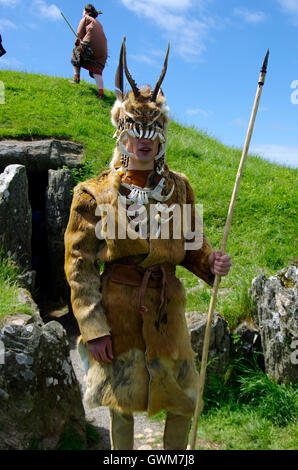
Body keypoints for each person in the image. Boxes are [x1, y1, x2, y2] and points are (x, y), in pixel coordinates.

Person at [64, 39, 232, 450]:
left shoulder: (179, 188)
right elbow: (79, 264)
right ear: (122, 131)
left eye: (152, 131)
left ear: (162, 135)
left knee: (182, 401)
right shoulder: (93, 193)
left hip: (167, 310)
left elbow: (193, 247)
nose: (144, 140)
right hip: (117, 312)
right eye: (136, 130)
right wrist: (93, 328)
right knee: (119, 403)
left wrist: (211, 263)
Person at [70, 4, 107, 99]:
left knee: (76, 53)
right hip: (102, 52)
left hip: (90, 45)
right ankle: (101, 93)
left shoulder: (86, 18)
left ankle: (76, 78)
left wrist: (78, 41)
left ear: (86, 12)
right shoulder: (98, 23)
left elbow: (79, 33)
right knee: (97, 70)